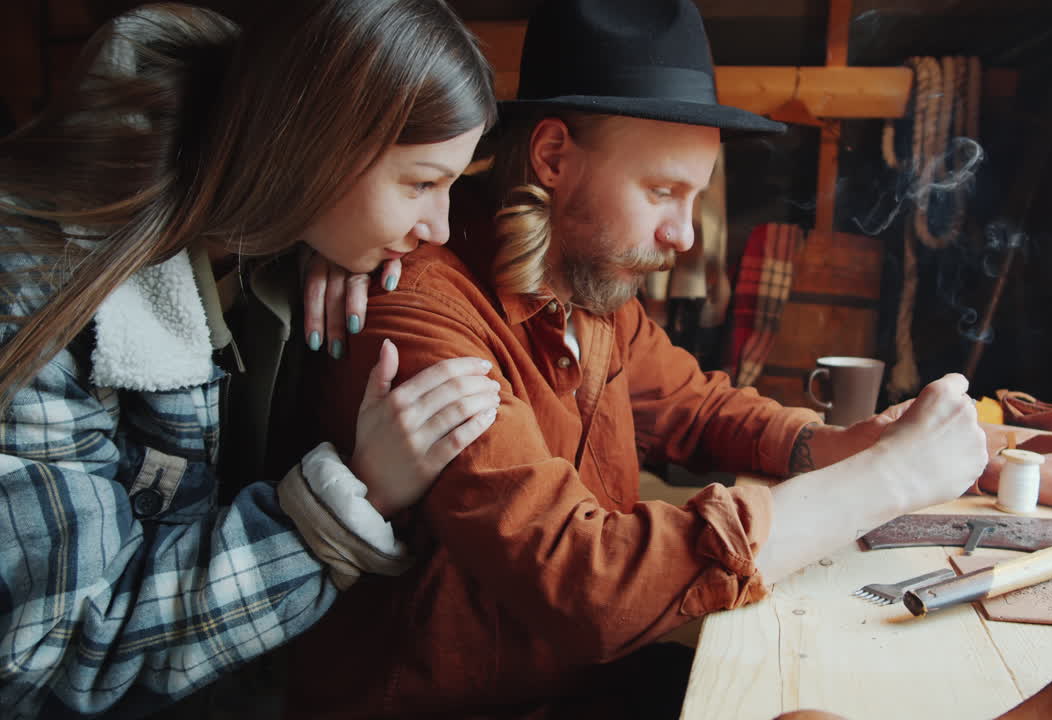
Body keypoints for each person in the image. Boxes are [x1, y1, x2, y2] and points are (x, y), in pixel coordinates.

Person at [287, 1, 988, 718]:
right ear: (553, 157)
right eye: (661, 192)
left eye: (694, 196)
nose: (684, 234)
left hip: (577, 689)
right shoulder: (416, 312)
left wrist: (830, 445)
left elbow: (696, 404)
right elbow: (588, 585)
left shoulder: (585, 282)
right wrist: (890, 476)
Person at [0, 1, 502, 717]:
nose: (439, 228)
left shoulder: (276, 238)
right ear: (312, 148)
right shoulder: (37, 291)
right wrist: (355, 498)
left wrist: (319, 230)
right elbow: (59, 655)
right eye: (421, 183)